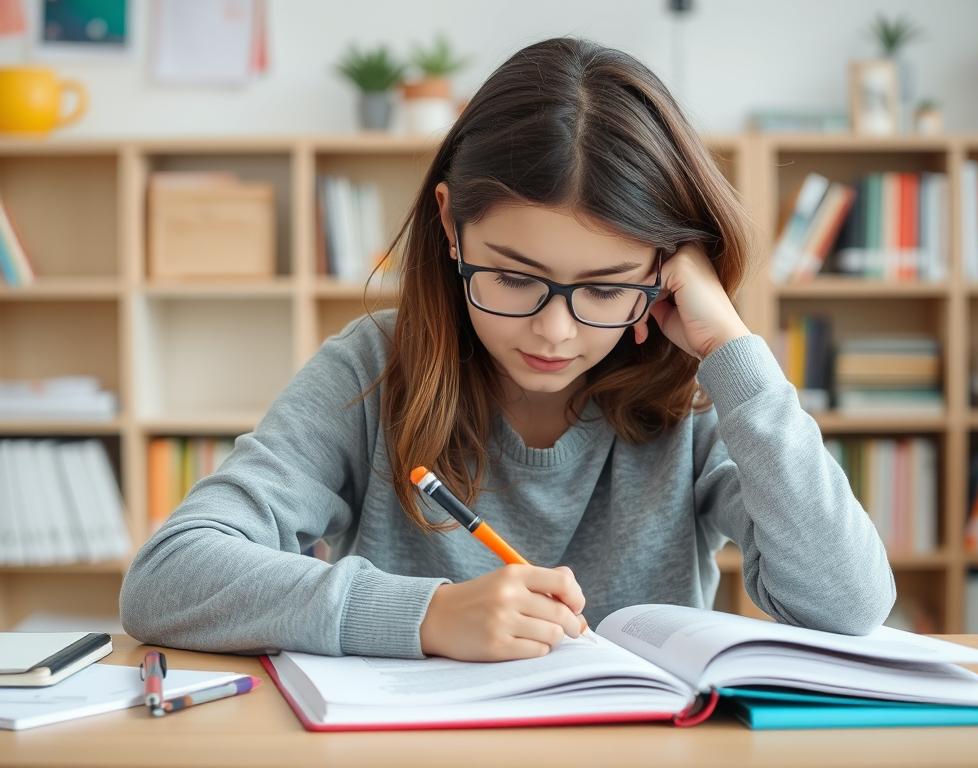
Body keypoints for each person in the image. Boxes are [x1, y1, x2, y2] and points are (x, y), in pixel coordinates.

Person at [120, 37, 895, 663]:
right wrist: (423, 615)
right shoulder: (373, 367)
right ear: (452, 227)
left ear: (667, 271)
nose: (553, 332)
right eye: (515, 278)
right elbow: (169, 575)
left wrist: (731, 347)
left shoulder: (700, 388)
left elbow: (849, 604)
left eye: (603, 287)